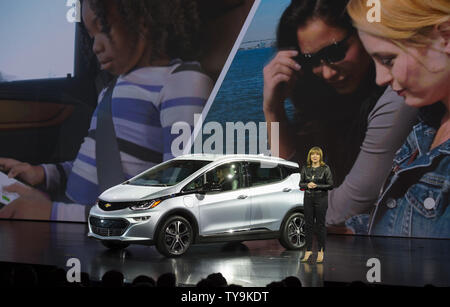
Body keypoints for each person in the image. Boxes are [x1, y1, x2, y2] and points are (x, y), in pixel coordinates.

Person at [0, 0, 213, 221]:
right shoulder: (110, 90)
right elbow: (89, 165)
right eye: (91, 37)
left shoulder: (182, 83)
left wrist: (52, 215)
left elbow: (178, 196)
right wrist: (42, 174)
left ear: (143, 19)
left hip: (110, 234)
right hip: (74, 215)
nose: (95, 47)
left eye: (103, 28)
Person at [263, 0, 418, 229]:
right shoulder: (328, 104)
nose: (327, 72)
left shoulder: (396, 97)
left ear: (363, 33)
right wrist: (273, 110)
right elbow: (292, 178)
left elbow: (343, 209)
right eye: (312, 60)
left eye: (335, 52)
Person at [346, 0, 449, 238]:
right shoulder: (425, 125)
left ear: (446, 37)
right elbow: (404, 220)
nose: (380, 78)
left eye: (388, 60)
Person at [299, 147, 333, 263]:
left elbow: (330, 185)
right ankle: (308, 251)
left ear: (320, 156)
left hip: (321, 199)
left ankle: (320, 251)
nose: (314, 156)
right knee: (308, 225)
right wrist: (307, 185)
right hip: (308, 199)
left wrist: (317, 186)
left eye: (317, 154)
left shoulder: (325, 168)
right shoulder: (305, 168)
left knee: (320, 226)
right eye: (312, 154)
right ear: (310, 156)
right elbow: (301, 184)